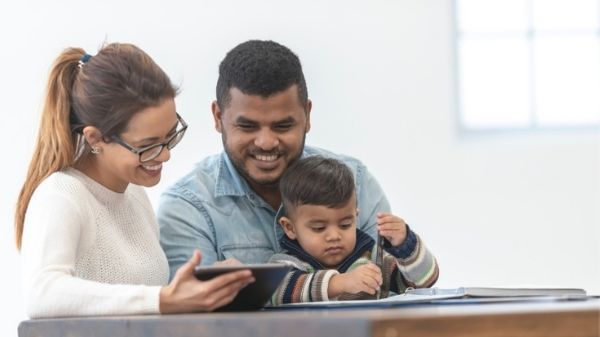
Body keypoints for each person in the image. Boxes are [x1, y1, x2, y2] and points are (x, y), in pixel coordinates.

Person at [157, 40, 438, 281]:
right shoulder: (188, 208)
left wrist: (407, 247)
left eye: (282, 126)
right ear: (218, 118)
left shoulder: (355, 181)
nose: (266, 142)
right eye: (248, 127)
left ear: (308, 115)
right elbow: (194, 318)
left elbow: (395, 287)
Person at [15, 43, 254, 319]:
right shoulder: (61, 196)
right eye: (148, 145)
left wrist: (204, 288)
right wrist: (163, 299)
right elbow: (41, 294)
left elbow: (136, 302)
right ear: (96, 138)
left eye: (170, 135)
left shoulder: (134, 193)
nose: (164, 155)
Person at [268, 156, 438, 304]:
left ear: (356, 217)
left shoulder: (374, 259)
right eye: (319, 228)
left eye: (345, 225)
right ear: (290, 228)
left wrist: (405, 244)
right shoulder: (285, 264)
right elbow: (276, 292)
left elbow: (424, 281)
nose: (334, 236)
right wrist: (339, 283)